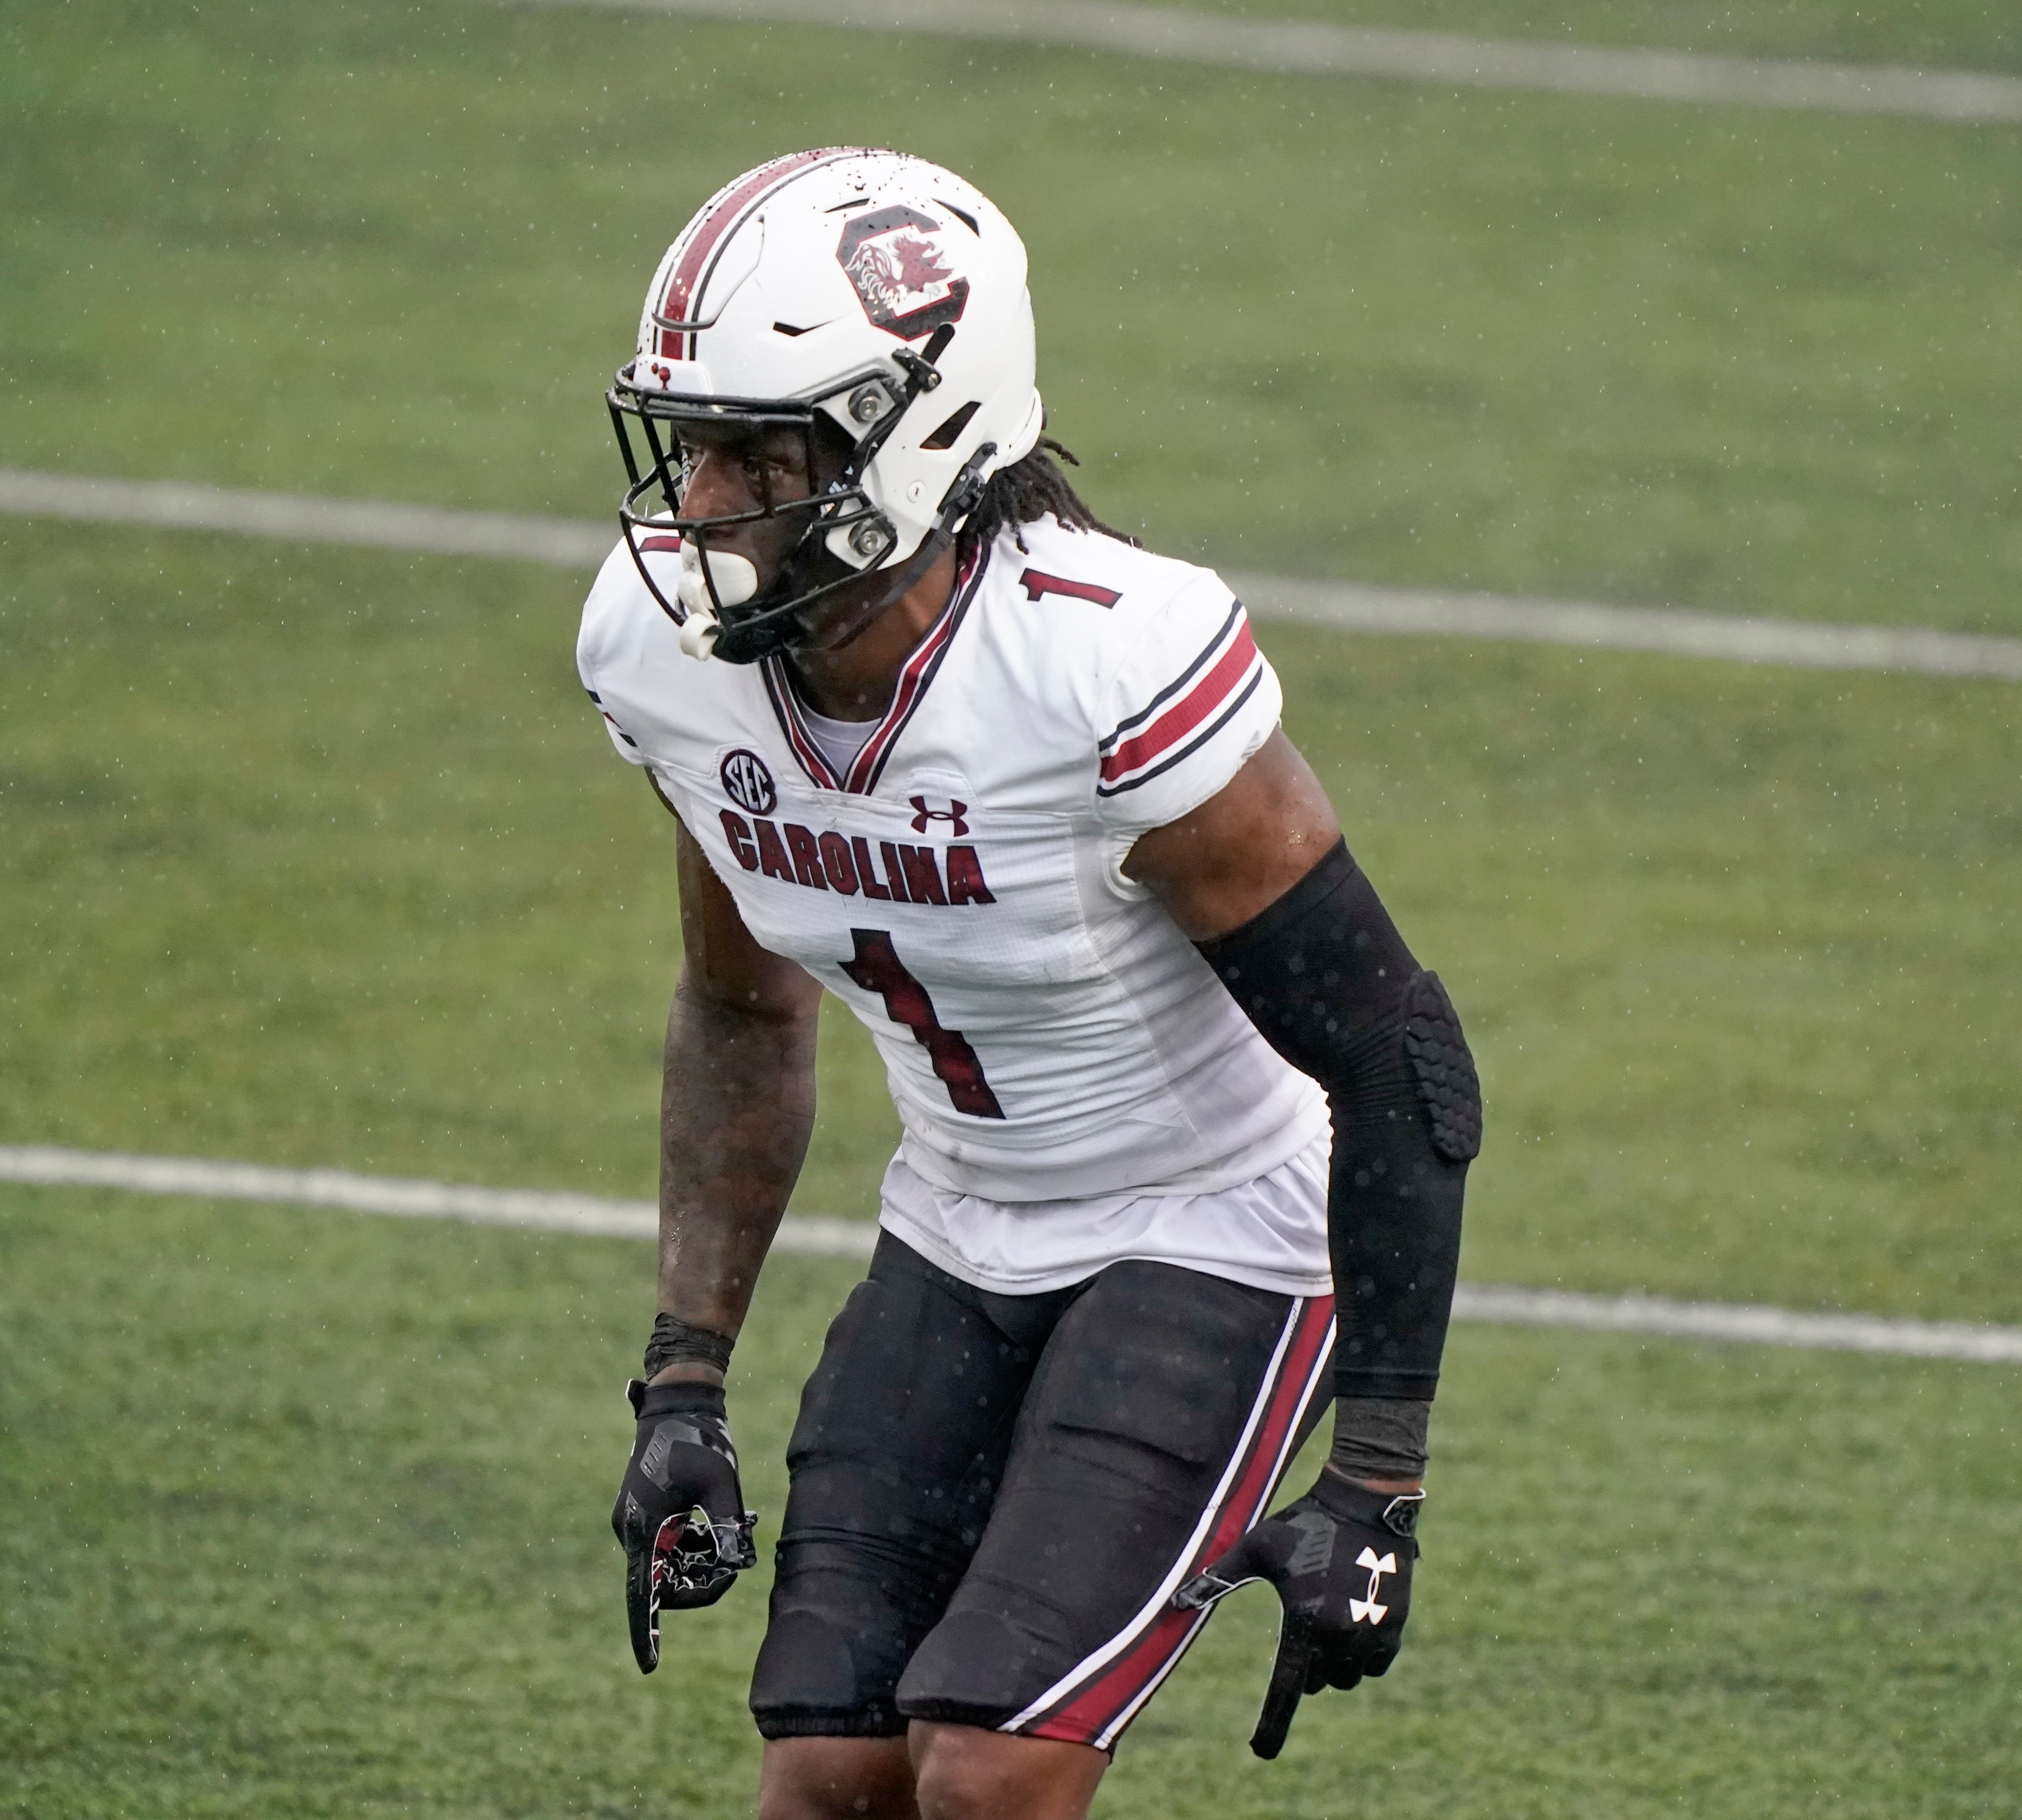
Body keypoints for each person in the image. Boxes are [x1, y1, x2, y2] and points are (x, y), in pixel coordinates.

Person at [575, 147, 1480, 1820]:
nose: (698, 506)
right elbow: (736, 1003)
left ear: (919, 442)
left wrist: (1381, 1479)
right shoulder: (668, 656)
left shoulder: (1092, 659)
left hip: (1216, 1223)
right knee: (830, 1779)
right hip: (961, 1214)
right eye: (690, 445)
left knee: (988, 1776)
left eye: (758, 455)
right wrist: (684, 1372)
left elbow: (1401, 1054)